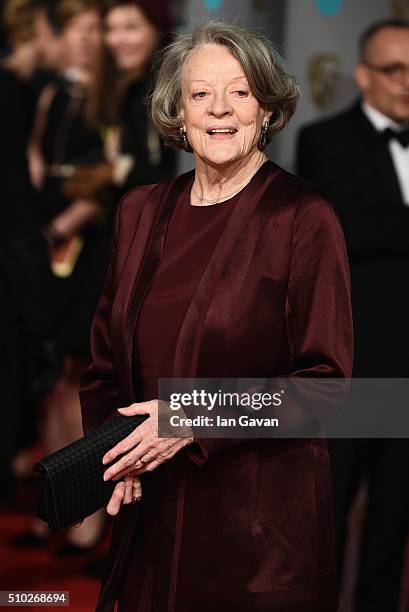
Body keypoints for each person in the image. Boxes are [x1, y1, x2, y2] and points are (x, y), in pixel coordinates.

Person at [79, 21, 353, 612]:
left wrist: (189, 415)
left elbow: (327, 386)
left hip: (254, 533)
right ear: (177, 111)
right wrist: (117, 454)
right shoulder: (139, 211)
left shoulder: (303, 218)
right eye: (201, 94)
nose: (220, 110)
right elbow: (103, 366)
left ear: (266, 108)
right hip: (150, 522)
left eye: (241, 92)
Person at [296, 18, 409, 612]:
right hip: (354, 364)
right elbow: (346, 232)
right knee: (328, 517)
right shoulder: (325, 141)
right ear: (364, 75)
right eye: (395, 70)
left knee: (394, 525)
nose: (408, 83)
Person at [62, 0, 176, 209]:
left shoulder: (172, 90)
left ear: (158, 28)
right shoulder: (127, 88)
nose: (116, 40)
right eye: (110, 29)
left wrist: (113, 171)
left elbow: (170, 173)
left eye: (130, 28)